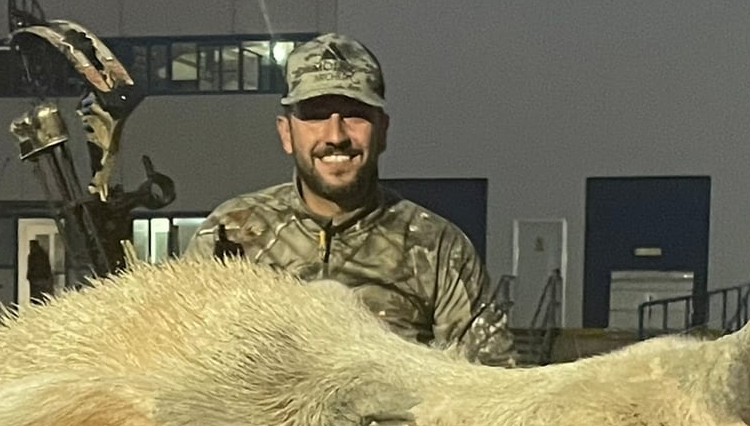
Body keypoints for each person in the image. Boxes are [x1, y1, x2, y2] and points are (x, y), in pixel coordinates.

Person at [183, 33, 513, 364]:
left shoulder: (438, 248)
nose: (336, 136)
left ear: (382, 130)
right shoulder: (228, 235)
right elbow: (177, 366)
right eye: (316, 114)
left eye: (355, 114)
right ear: (286, 133)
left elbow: (491, 386)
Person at [26, 237, 54, 303]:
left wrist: (29, 276)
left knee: (36, 296)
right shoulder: (43, 254)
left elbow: (31, 267)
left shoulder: (33, 255)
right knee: (42, 297)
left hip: (37, 279)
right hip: (42, 278)